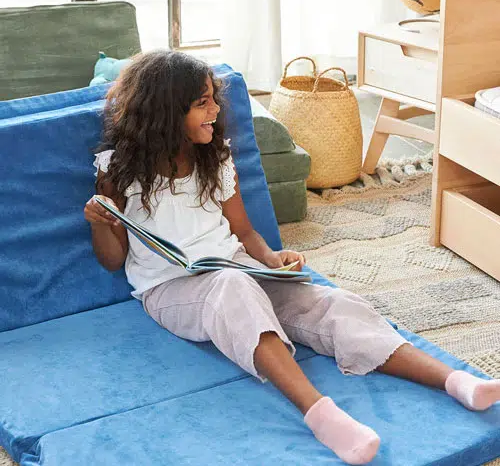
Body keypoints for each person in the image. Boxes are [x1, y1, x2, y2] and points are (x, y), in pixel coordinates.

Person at [84, 50, 500, 465]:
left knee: (327, 301)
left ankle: (455, 381)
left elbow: (243, 232)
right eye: (201, 104)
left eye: (214, 99)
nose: (214, 111)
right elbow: (113, 261)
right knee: (232, 288)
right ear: (165, 112)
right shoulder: (119, 167)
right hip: (170, 288)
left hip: (235, 266)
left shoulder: (214, 155)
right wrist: (100, 222)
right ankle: (320, 413)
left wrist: (272, 258)